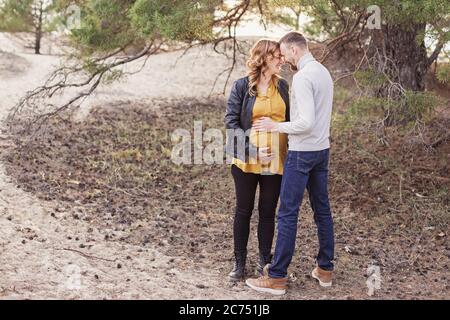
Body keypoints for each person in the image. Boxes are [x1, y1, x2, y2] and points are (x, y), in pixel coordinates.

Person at [246, 31, 335, 295]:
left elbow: (305, 122)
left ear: (294, 50)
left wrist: (276, 126)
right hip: (322, 150)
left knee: (287, 213)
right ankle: (325, 268)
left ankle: (277, 277)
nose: (283, 60)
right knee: (322, 210)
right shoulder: (323, 72)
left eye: (284, 54)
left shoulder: (304, 77)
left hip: (302, 153)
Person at [224, 39, 290, 281]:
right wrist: (253, 151)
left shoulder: (282, 86)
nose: (281, 60)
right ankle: (239, 264)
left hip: (276, 161)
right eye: (276, 56)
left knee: (268, 212)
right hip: (247, 161)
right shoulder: (242, 86)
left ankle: (265, 262)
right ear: (263, 58)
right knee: (243, 210)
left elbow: (290, 121)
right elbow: (231, 124)